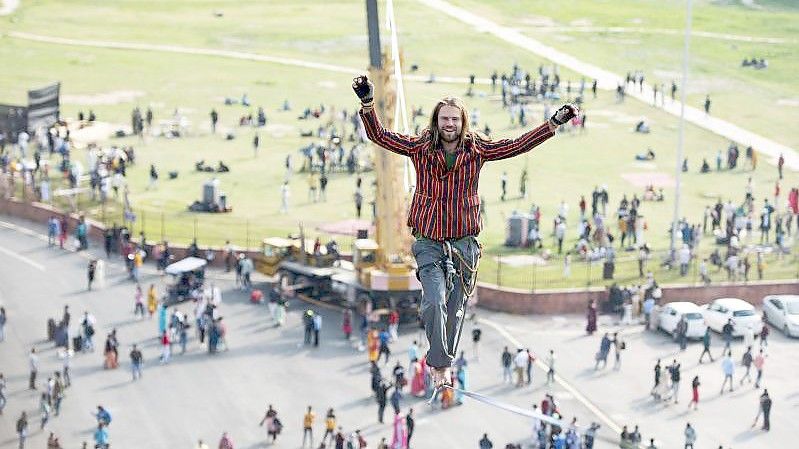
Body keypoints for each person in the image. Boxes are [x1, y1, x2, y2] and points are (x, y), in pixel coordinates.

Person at [353, 75, 576, 387]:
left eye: (454, 119)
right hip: (430, 239)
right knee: (434, 301)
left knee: (456, 307)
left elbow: (515, 146)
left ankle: (444, 365)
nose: (449, 124)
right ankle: (439, 364)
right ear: (436, 121)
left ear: (462, 122)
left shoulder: (477, 150)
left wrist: (552, 123)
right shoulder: (420, 148)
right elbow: (380, 136)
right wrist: (367, 103)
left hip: (464, 241)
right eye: (444, 118)